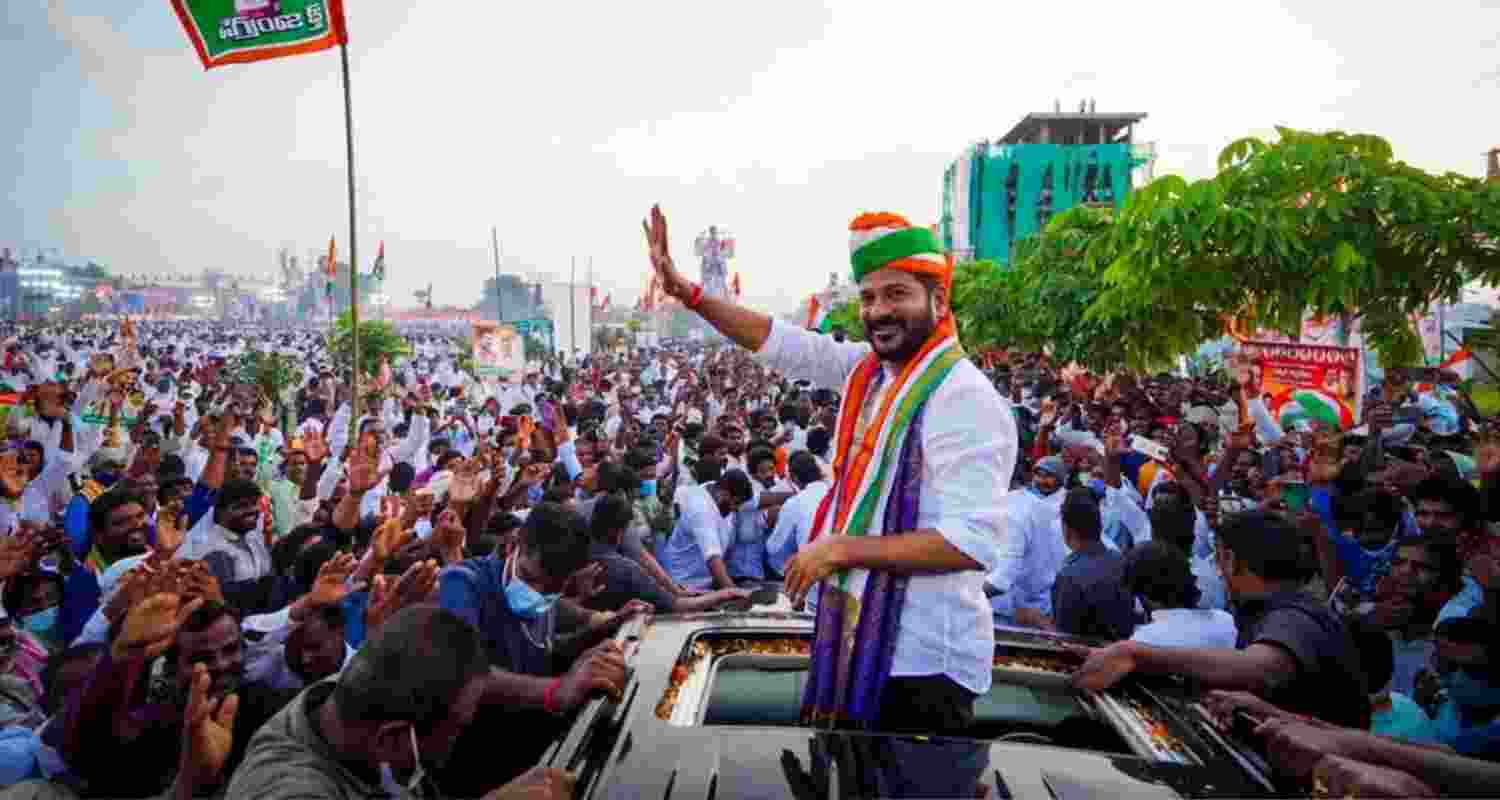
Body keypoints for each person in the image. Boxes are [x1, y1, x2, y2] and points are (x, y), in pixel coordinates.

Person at [644, 206, 1014, 734]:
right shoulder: (874, 373)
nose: (879, 310)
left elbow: (971, 543)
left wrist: (839, 548)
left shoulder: (962, 397)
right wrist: (690, 293)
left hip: (924, 664)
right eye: (869, 297)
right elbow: (782, 343)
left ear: (940, 299)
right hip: (860, 638)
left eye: (897, 294)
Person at [225, 604, 575, 800]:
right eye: (457, 729)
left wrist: (553, 692)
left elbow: (471, 675)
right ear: (393, 739)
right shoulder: (286, 789)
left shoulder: (359, 689)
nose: (458, 739)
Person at [1072, 510, 1372, 730]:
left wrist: (1134, 653)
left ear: (1229, 558)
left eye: (1218, 559)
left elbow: (1263, 668)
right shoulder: (1281, 610)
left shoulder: (1293, 616)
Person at [1051, 489, 1135, 641]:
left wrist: (1035, 619)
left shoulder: (1070, 576)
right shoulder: (1121, 561)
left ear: (1067, 529)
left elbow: (1065, 638)